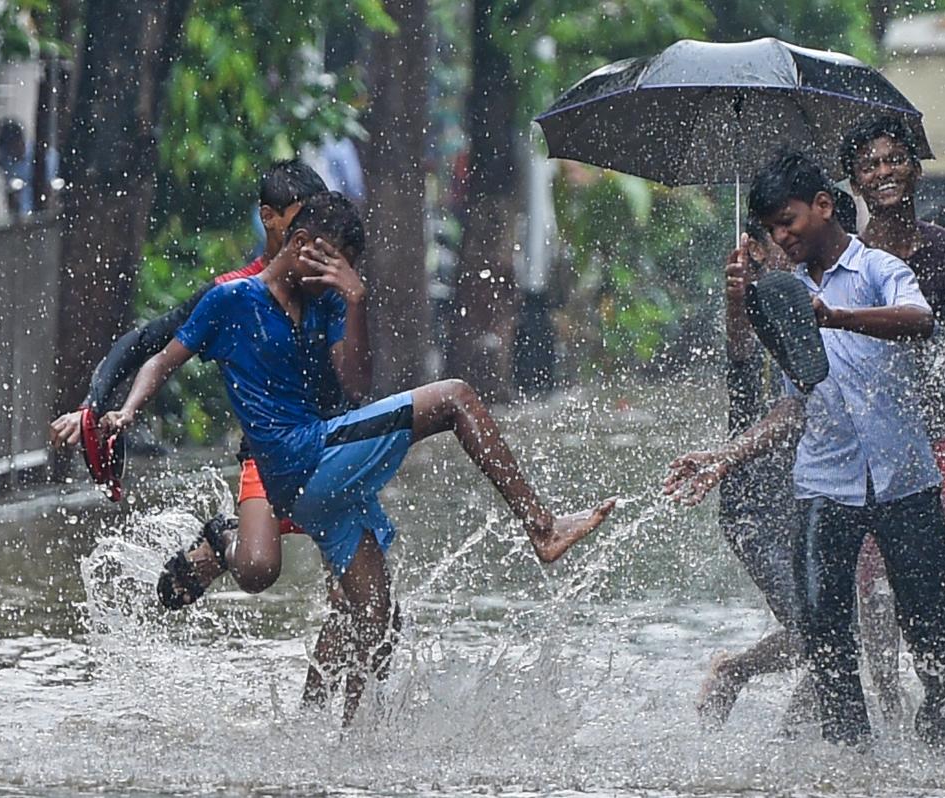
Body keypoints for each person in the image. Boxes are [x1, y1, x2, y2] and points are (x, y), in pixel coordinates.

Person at [99, 192, 616, 724]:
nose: (333, 276)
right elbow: (164, 358)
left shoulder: (323, 303)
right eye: (330, 263)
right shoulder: (231, 302)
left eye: (342, 268)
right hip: (301, 459)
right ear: (300, 245)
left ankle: (328, 738)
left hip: (324, 477)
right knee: (456, 397)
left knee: (377, 619)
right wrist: (126, 412)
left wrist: (353, 300)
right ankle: (542, 527)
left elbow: (355, 382)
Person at [670, 152, 945, 751]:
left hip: (906, 479)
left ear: (824, 207)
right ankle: (849, 764)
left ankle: (939, 728)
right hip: (825, 488)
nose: (781, 237)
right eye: (772, 229)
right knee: (828, 642)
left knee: (933, 637)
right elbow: (790, 404)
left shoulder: (878, 269)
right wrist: (726, 456)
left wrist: (838, 316)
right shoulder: (782, 295)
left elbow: (920, 319)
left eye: (788, 221)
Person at [50, 160, 342, 606]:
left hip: (337, 442)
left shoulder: (335, 285)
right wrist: (94, 405)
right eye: (299, 221)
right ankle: (229, 539)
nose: (313, 236)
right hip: (271, 451)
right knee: (259, 569)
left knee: (354, 602)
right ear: (269, 218)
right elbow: (149, 343)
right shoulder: (232, 294)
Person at [693, 210, 901, 730]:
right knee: (818, 628)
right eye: (782, 237)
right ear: (757, 250)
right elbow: (740, 349)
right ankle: (735, 673)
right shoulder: (753, 312)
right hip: (753, 503)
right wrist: (735, 297)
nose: (796, 244)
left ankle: (800, 740)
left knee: (838, 625)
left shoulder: (820, 308)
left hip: (816, 493)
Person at [839, 116, 945, 701]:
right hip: (874, 426)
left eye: (894, 159)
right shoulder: (850, 260)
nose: (883, 172)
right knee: (875, 576)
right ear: (854, 183)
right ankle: (883, 688)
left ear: (916, 169)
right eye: (869, 165)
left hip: (939, 415)